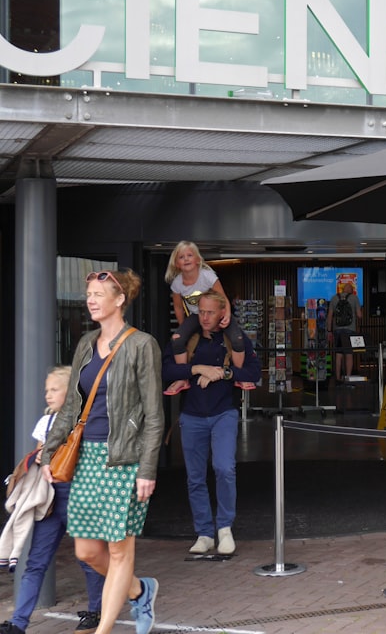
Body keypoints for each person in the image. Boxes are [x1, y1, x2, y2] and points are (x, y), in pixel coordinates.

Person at [39, 269, 164, 634]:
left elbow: (154, 414)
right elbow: (70, 407)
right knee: (87, 552)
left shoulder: (142, 345)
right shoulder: (85, 344)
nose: (90, 300)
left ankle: (104, 630)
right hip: (87, 458)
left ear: (120, 299)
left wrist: (148, 469)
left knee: (121, 551)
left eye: (98, 294)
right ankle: (141, 590)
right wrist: (49, 452)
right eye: (89, 294)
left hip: (125, 459)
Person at [0, 367, 105, 634]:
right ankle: (18, 623)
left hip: (77, 493)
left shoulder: (84, 420)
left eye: (54, 389)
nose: (48, 395)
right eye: (46, 390)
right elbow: (37, 455)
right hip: (48, 499)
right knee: (36, 561)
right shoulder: (44, 423)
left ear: (69, 392)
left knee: (88, 557)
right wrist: (35, 458)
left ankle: (96, 611)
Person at [161, 291, 261, 556]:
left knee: (224, 468)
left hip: (223, 413)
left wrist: (223, 373)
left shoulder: (232, 340)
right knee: (195, 477)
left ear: (222, 314)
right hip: (192, 416)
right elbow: (166, 370)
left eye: (210, 312)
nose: (204, 317)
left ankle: (224, 527)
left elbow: (253, 372)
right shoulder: (188, 339)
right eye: (200, 312)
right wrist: (197, 369)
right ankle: (204, 532)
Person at [164, 241, 245, 369]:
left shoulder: (208, 276)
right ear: (176, 263)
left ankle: (239, 374)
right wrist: (183, 326)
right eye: (181, 257)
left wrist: (227, 315)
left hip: (217, 312)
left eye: (189, 255)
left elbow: (223, 297)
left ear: (197, 259)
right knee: (177, 340)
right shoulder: (177, 283)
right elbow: (178, 307)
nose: (186, 259)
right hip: (196, 314)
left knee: (238, 339)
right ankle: (183, 376)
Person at [332, 285, 362, 382]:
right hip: (350, 330)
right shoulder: (354, 298)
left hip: (337, 330)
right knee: (349, 354)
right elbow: (359, 315)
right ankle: (348, 378)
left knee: (338, 354)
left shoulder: (334, 298)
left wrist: (329, 331)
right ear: (352, 291)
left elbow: (329, 316)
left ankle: (337, 378)